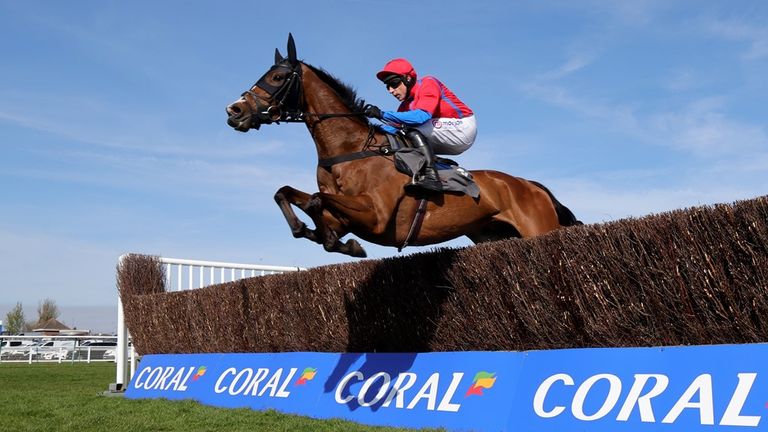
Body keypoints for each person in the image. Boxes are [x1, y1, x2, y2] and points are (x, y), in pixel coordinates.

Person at [364, 58, 477, 193]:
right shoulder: (404, 106)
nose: (391, 90)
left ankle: (432, 177)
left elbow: (421, 116)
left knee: (411, 128)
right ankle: (437, 166)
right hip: (444, 133)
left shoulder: (428, 82)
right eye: (387, 86)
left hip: (463, 126)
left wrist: (382, 114)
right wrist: (368, 128)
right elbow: (393, 129)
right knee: (398, 137)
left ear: (407, 78)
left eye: (393, 84)